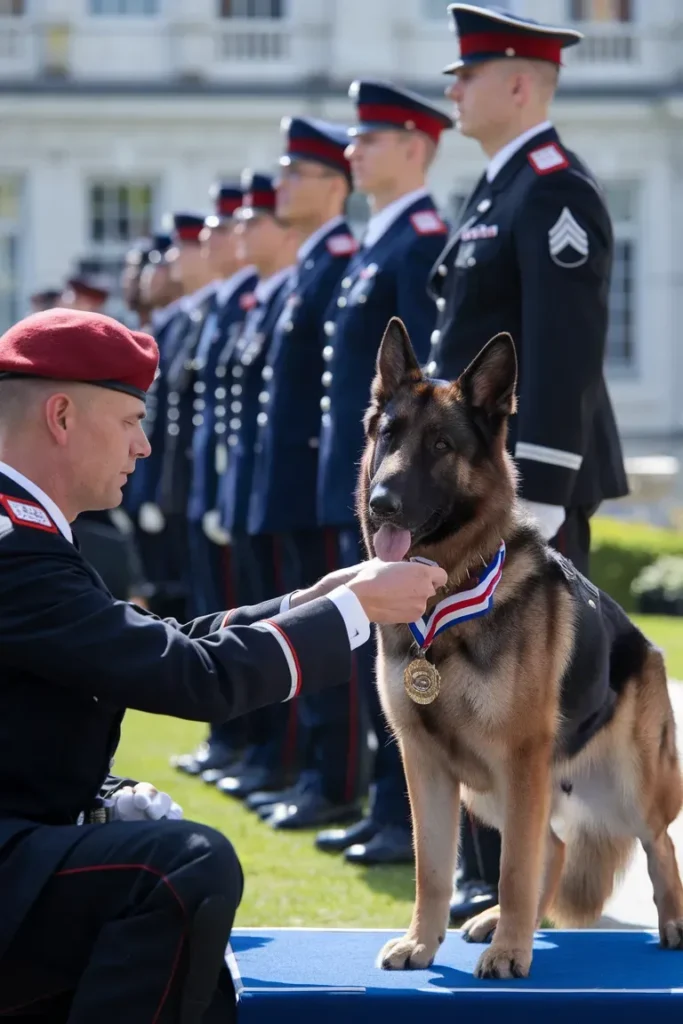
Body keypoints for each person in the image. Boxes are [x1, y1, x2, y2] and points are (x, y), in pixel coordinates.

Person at [0, 307, 446, 1020]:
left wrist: (309, 599)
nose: (144, 447)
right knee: (183, 870)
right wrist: (356, 610)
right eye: (127, 423)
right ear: (60, 415)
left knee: (190, 956)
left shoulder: (20, 530)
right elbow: (190, 675)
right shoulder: (15, 548)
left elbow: (144, 645)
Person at [427, 3, 629, 925]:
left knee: (522, 690)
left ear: (518, 83)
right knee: (471, 676)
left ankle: (530, 886)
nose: (451, 88)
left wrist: (538, 495)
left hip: (526, 498)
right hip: (481, 500)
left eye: (466, 75)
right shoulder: (499, 189)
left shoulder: (552, 189)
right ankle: (493, 877)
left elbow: (564, 348)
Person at [315, 80, 453, 866]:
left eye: (369, 138)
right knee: (379, 643)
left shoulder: (420, 241)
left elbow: (422, 391)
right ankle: (385, 806)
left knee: (417, 648)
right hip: (374, 483)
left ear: (413, 147)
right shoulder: (380, 241)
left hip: (408, 487)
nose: (352, 152)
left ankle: (408, 822)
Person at [246, 116, 368, 831]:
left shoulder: (342, 260)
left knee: (338, 639)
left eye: (295, 173)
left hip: (329, 483)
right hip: (301, 483)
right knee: (310, 630)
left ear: (331, 188)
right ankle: (319, 775)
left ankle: (337, 782)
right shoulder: (317, 267)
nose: (281, 184)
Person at [213, 173, 303, 801]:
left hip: (302, 484)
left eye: (251, 220)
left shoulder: (315, 274)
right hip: (259, 483)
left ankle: (308, 772)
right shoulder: (261, 296)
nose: (240, 232)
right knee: (250, 610)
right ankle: (264, 751)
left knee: (305, 622)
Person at [172, 183, 258, 782]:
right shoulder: (222, 307)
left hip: (265, 486)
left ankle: (270, 757)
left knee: (249, 613)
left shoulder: (249, 300)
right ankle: (236, 745)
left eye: (218, 231)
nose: (203, 245)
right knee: (219, 609)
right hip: (224, 485)